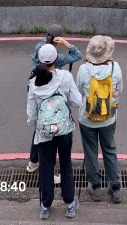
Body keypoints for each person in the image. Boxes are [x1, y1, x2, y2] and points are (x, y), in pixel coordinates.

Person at [27, 43, 81, 219]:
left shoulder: (34, 82)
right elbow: (77, 101)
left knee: (46, 166)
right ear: (56, 59)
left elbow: (31, 113)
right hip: (64, 129)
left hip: (44, 133)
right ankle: (70, 204)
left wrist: (37, 127)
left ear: (39, 60)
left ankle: (45, 206)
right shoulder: (65, 76)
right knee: (65, 164)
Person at [28, 25, 83, 174]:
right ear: (58, 39)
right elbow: (78, 56)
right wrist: (68, 45)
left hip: (37, 87)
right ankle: (51, 172)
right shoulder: (57, 58)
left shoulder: (39, 47)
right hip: (54, 98)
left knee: (39, 128)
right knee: (53, 128)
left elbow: (31, 113)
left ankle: (33, 162)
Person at [76, 35, 123, 203]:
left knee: (91, 151)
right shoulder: (115, 68)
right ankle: (115, 187)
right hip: (109, 117)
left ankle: (95, 186)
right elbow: (118, 91)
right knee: (109, 149)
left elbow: (80, 92)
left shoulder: (83, 70)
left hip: (87, 118)